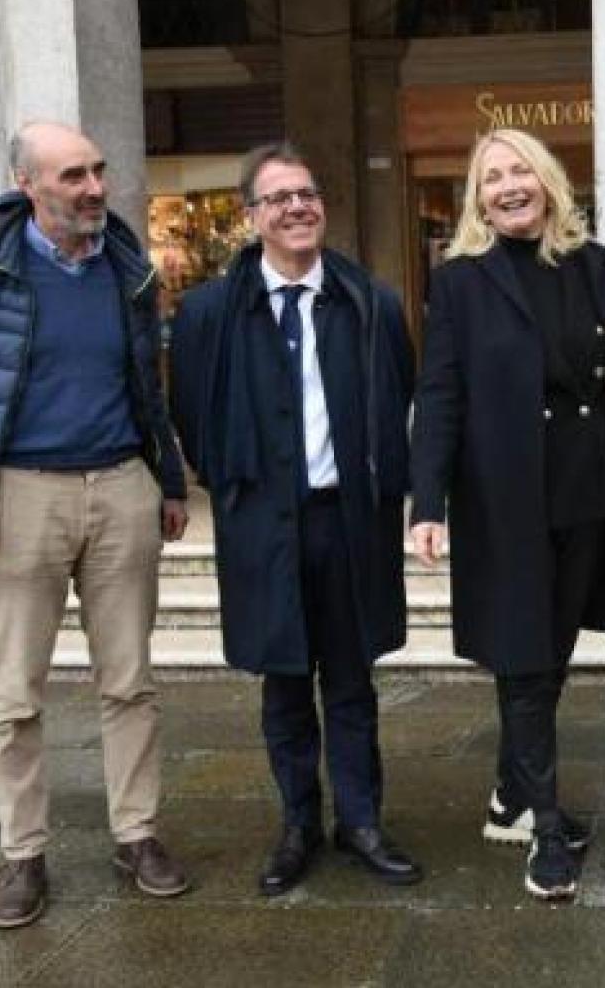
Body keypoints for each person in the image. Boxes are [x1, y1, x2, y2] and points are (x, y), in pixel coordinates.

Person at [0, 121, 191, 929]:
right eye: (74, 175)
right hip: (19, 496)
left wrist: (165, 479)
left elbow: (147, 386)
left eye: (98, 170)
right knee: (15, 694)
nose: (96, 187)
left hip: (121, 489)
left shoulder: (129, 269)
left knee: (130, 682)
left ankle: (136, 834)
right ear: (27, 184)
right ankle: (23, 854)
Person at [169, 142, 421, 896]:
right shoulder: (211, 311)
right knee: (283, 683)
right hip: (261, 526)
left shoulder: (368, 301)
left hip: (347, 521)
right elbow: (192, 415)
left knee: (351, 680)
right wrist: (239, 490)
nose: (296, 207)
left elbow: (399, 393)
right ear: (251, 217)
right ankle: (297, 824)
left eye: (306, 193)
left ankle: (363, 821)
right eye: (277, 198)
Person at [408, 127, 605, 903]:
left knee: (551, 654)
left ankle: (509, 785)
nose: (507, 186)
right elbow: (439, 394)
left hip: (589, 493)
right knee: (526, 659)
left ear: (547, 179)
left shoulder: (597, 267)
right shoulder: (462, 281)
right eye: (491, 176)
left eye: (519, 171)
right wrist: (425, 503)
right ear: (478, 196)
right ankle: (543, 825)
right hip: (504, 499)